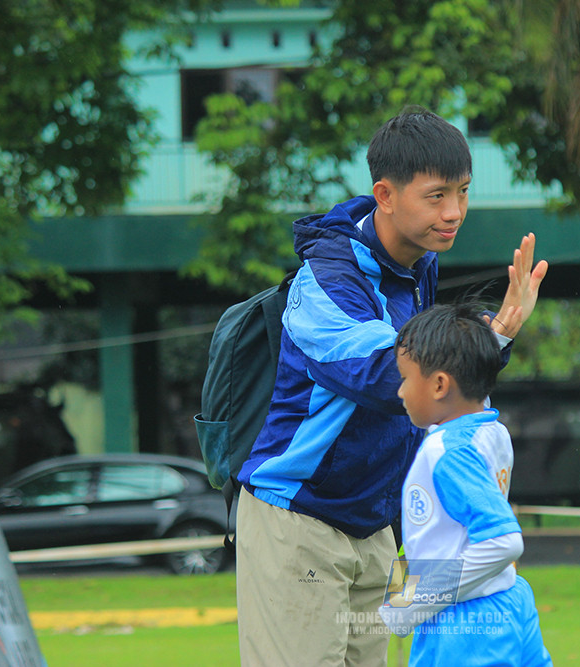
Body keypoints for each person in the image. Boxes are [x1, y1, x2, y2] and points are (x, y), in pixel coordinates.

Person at [234, 106, 548, 666]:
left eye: (463, 192)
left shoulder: (419, 262)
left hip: (374, 526)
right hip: (301, 522)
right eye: (436, 196)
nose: (454, 213)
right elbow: (395, 379)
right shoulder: (326, 280)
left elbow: (432, 392)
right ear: (385, 194)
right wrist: (495, 332)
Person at [378, 302, 553, 666]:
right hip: (508, 598)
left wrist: (412, 602)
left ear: (440, 384)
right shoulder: (488, 429)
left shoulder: (447, 451)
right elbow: (438, 537)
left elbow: (502, 541)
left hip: (466, 624)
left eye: (405, 378)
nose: (400, 392)